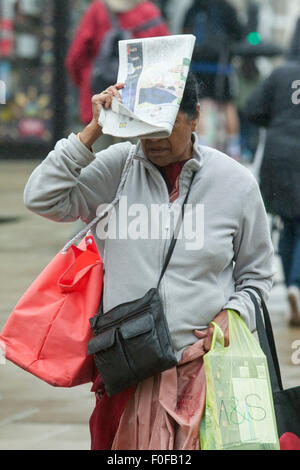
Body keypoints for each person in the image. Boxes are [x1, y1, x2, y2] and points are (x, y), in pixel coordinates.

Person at [23, 73, 274, 450]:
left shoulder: (236, 183)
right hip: (127, 374)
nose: (153, 137)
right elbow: (41, 197)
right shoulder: (116, 169)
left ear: (195, 118)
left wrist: (234, 315)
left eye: (165, 124)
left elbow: (257, 276)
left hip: (205, 375)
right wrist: (93, 131)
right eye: (143, 124)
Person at [246, 18, 300, 327]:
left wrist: (280, 118)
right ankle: (296, 284)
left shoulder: (281, 74)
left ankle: (293, 282)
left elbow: (253, 108)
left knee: (289, 222)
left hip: (279, 156)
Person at [66, 0, 170, 126]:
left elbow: (75, 57)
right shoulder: (150, 12)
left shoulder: (97, 9)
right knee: (137, 144)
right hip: (139, 106)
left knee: (98, 142)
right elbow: (165, 56)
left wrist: (83, 83)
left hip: (100, 102)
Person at [183, 0, 243, 159]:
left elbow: (185, 33)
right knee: (228, 104)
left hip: (197, 65)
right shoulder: (227, 8)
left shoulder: (194, 8)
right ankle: (235, 148)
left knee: (200, 103)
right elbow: (239, 35)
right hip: (222, 66)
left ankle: (201, 147)